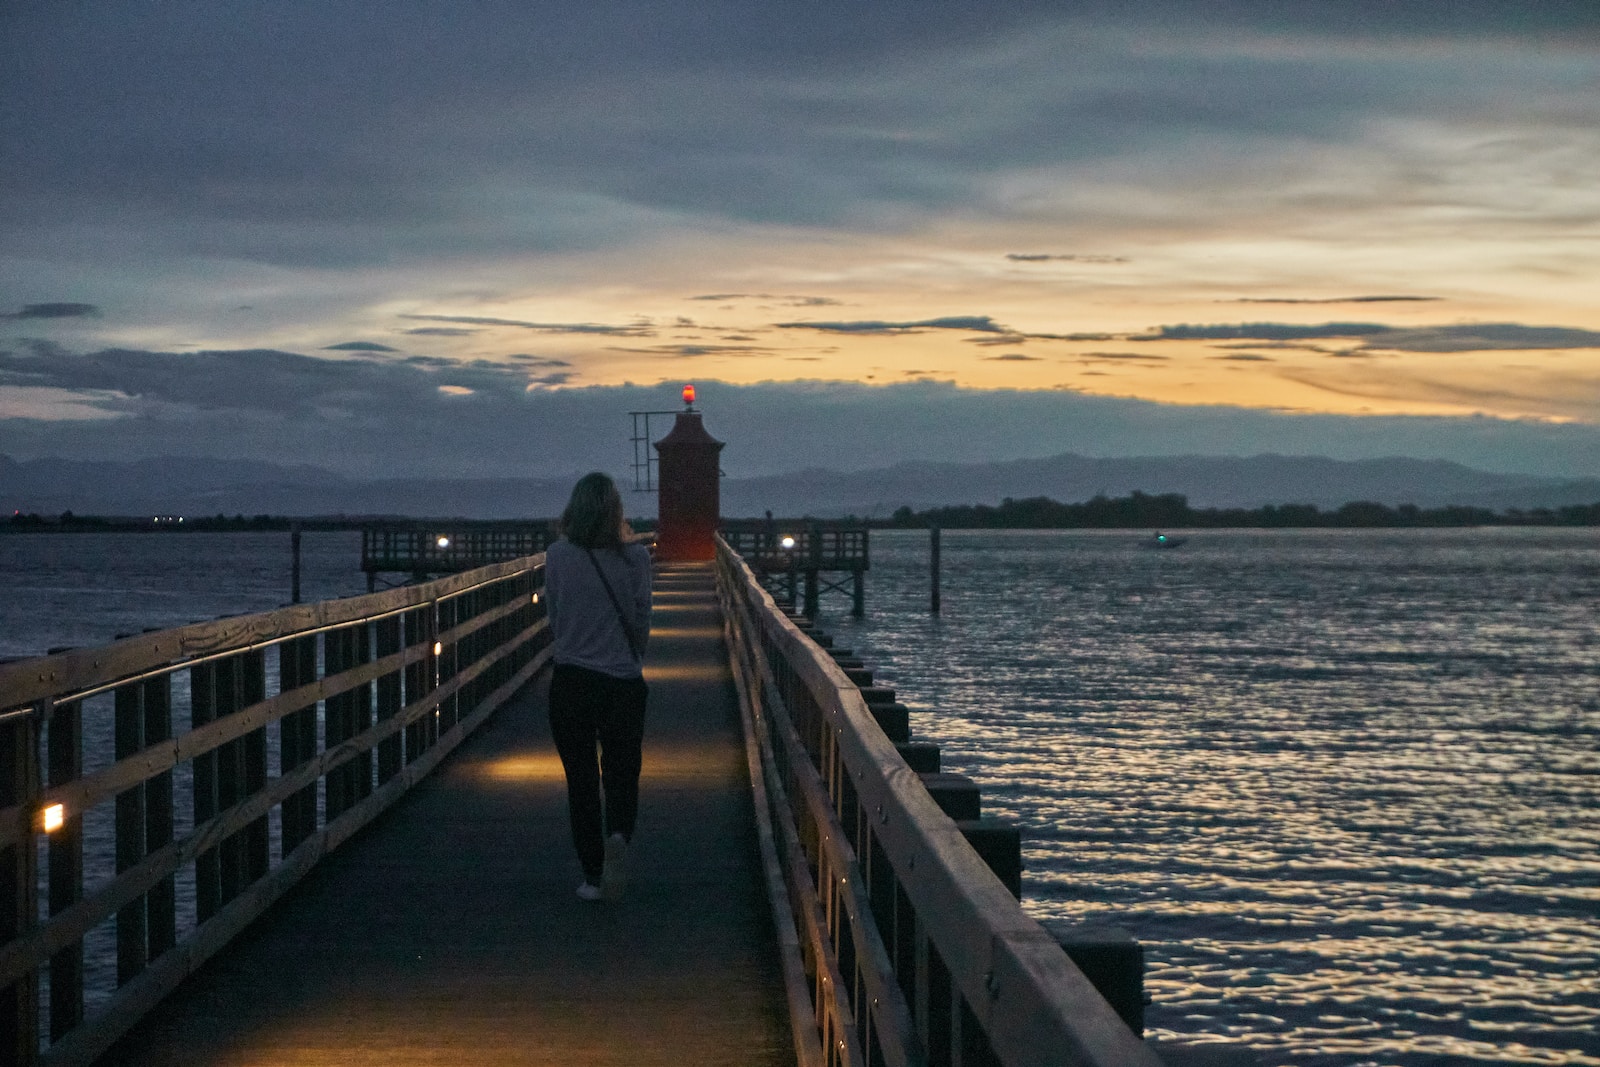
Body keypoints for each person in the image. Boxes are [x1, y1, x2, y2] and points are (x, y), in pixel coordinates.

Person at [543, 472, 652, 901]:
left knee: (581, 780)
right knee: (623, 772)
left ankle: (592, 877)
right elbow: (641, 618)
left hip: (571, 680)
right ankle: (620, 835)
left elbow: (555, 614)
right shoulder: (636, 558)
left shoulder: (557, 555)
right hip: (623, 682)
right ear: (616, 512)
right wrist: (631, 654)